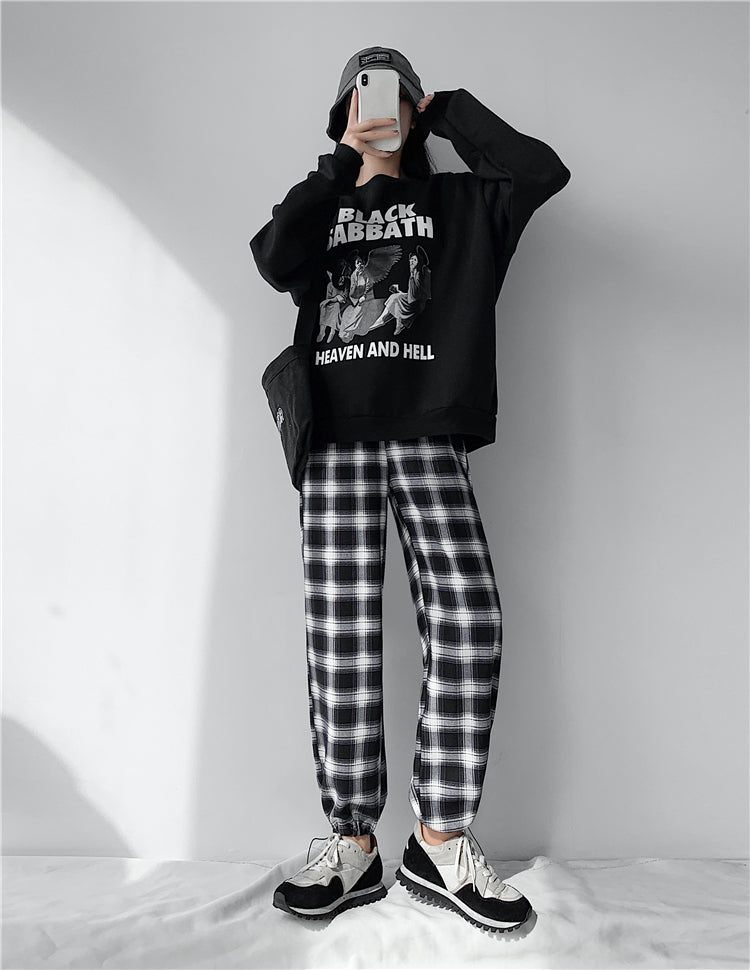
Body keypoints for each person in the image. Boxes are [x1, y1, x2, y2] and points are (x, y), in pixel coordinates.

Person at [249, 46, 570, 934]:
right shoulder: (323, 201)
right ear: (341, 112)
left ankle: (438, 841)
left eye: (392, 92)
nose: (378, 103)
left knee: (470, 617)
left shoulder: (464, 205)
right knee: (342, 635)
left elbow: (541, 171)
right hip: (336, 437)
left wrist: (446, 111)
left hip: (429, 431)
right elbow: (274, 260)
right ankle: (352, 843)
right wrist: (345, 162)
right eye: (363, 92)